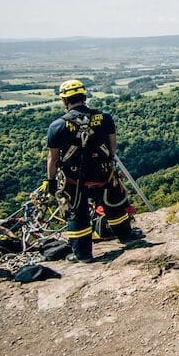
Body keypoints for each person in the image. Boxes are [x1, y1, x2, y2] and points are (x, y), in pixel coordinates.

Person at [45, 79, 143, 263]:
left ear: (65, 100)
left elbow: (53, 158)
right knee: (114, 205)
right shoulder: (104, 118)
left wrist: (51, 181)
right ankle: (126, 236)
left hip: (74, 179)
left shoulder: (57, 126)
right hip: (103, 173)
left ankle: (83, 254)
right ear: (84, 96)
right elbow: (112, 145)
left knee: (77, 213)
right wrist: (108, 163)